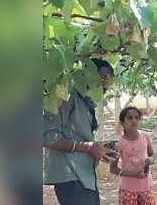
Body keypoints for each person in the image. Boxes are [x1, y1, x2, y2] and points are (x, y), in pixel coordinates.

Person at [43, 58, 117, 205]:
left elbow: (78, 137)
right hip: (70, 177)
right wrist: (89, 147)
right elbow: (47, 136)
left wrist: (98, 148)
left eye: (107, 82)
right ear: (86, 75)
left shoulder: (85, 101)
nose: (105, 86)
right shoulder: (65, 95)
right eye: (102, 79)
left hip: (84, 176)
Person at [110, 106, 156, 205]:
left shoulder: (145, 136)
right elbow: (113, 169)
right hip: (128, 189)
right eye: (129, 118)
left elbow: (152, 155)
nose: (134, 120)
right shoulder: (119, 143)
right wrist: (132, 174)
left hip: (146, 187)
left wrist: (150, 160)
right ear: (122, 122)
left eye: (136, 117)